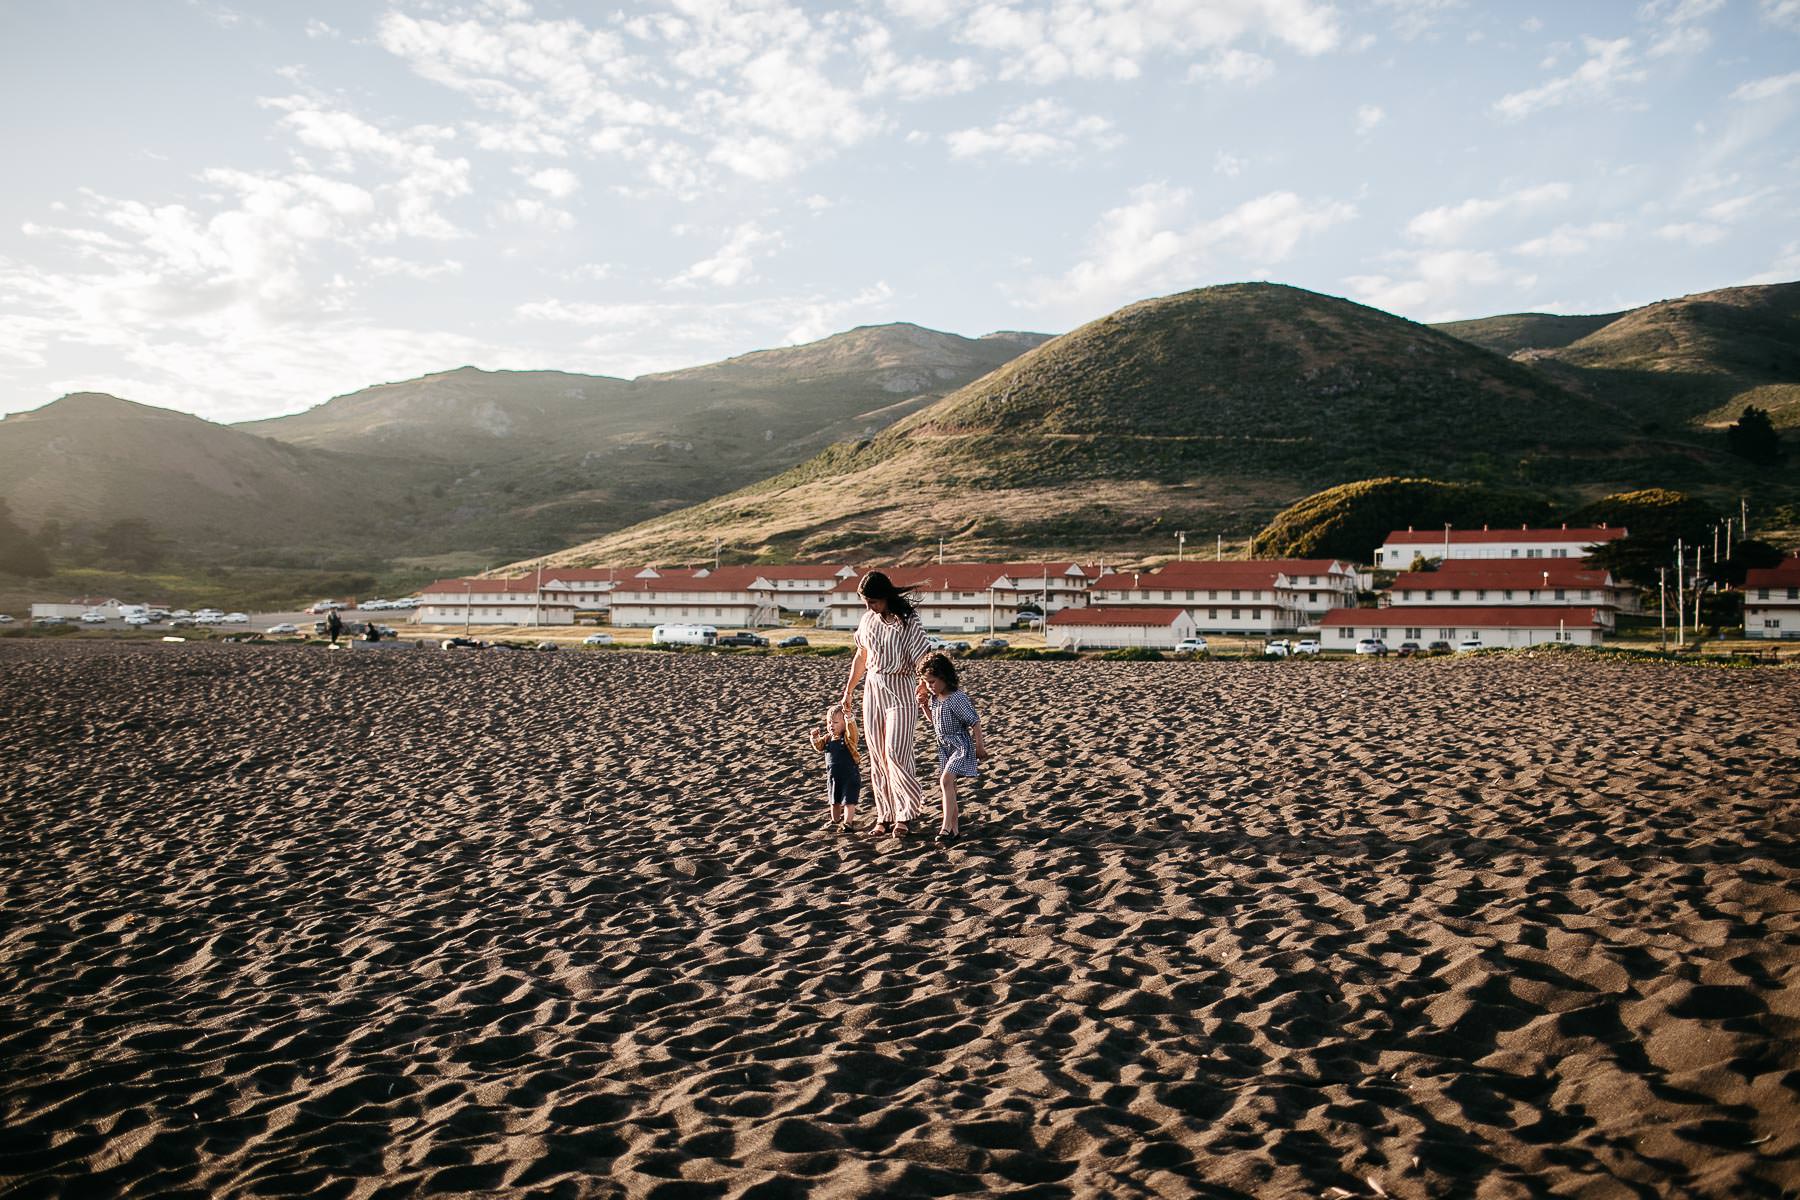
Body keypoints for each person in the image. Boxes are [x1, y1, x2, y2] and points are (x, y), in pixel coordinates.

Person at [839, 571, 931, 839]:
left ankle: (905, 813)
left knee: (896, 752)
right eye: (866, 602)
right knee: (878, 756)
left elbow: (923, 657)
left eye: (874, 602)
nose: (870, 607)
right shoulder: (868, 619)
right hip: (873, 687)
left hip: (901, 687)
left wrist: (924, 685)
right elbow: (861, 656)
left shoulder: (908, 621)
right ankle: (885, 815)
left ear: (887, 596)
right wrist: (849, 690)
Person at [919, 652, 987, 844]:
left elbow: (975, 722)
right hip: (944, 747)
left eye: (932, 682)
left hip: (960, 746)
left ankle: (945, 827)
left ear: (944, 677)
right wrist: (924, 708)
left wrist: (979, 747)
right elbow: (936, 723)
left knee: (946, 781)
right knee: (950, 788)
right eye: (926, 682)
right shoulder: (934, 698)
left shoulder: (957, 698)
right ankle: (955, 831)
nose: (930, 686)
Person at [808, 706, 861, 830]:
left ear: (844, 724)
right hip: (833, 776)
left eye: (836, 722)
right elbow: (819, 747)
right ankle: (835, 820)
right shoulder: (828, 738)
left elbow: (852, 730)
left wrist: (849, 718)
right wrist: (815, 737)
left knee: (849, 800)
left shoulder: (848, 738)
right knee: (834, 800)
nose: (831, 725)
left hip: (849, 775)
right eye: (829, 722)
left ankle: (848, 823)